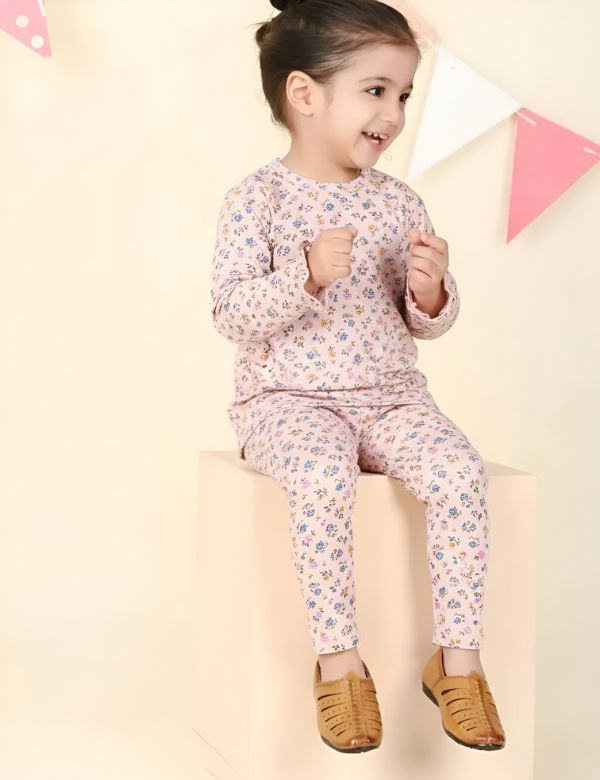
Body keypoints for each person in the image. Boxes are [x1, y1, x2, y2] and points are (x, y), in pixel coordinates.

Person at [210, 0, 506, 754]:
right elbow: (232, 314)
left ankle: (459, 663)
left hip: (389, 398)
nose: (394, 114)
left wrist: (431, 292)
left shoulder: (398, 201)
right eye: (375, 90)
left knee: (459, 472)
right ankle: (340, 665)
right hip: (287, 400)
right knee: (321, 475)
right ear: (304, 94)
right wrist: (304, 276)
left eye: (403, 94)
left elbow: (422, 323)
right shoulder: (257, 200)